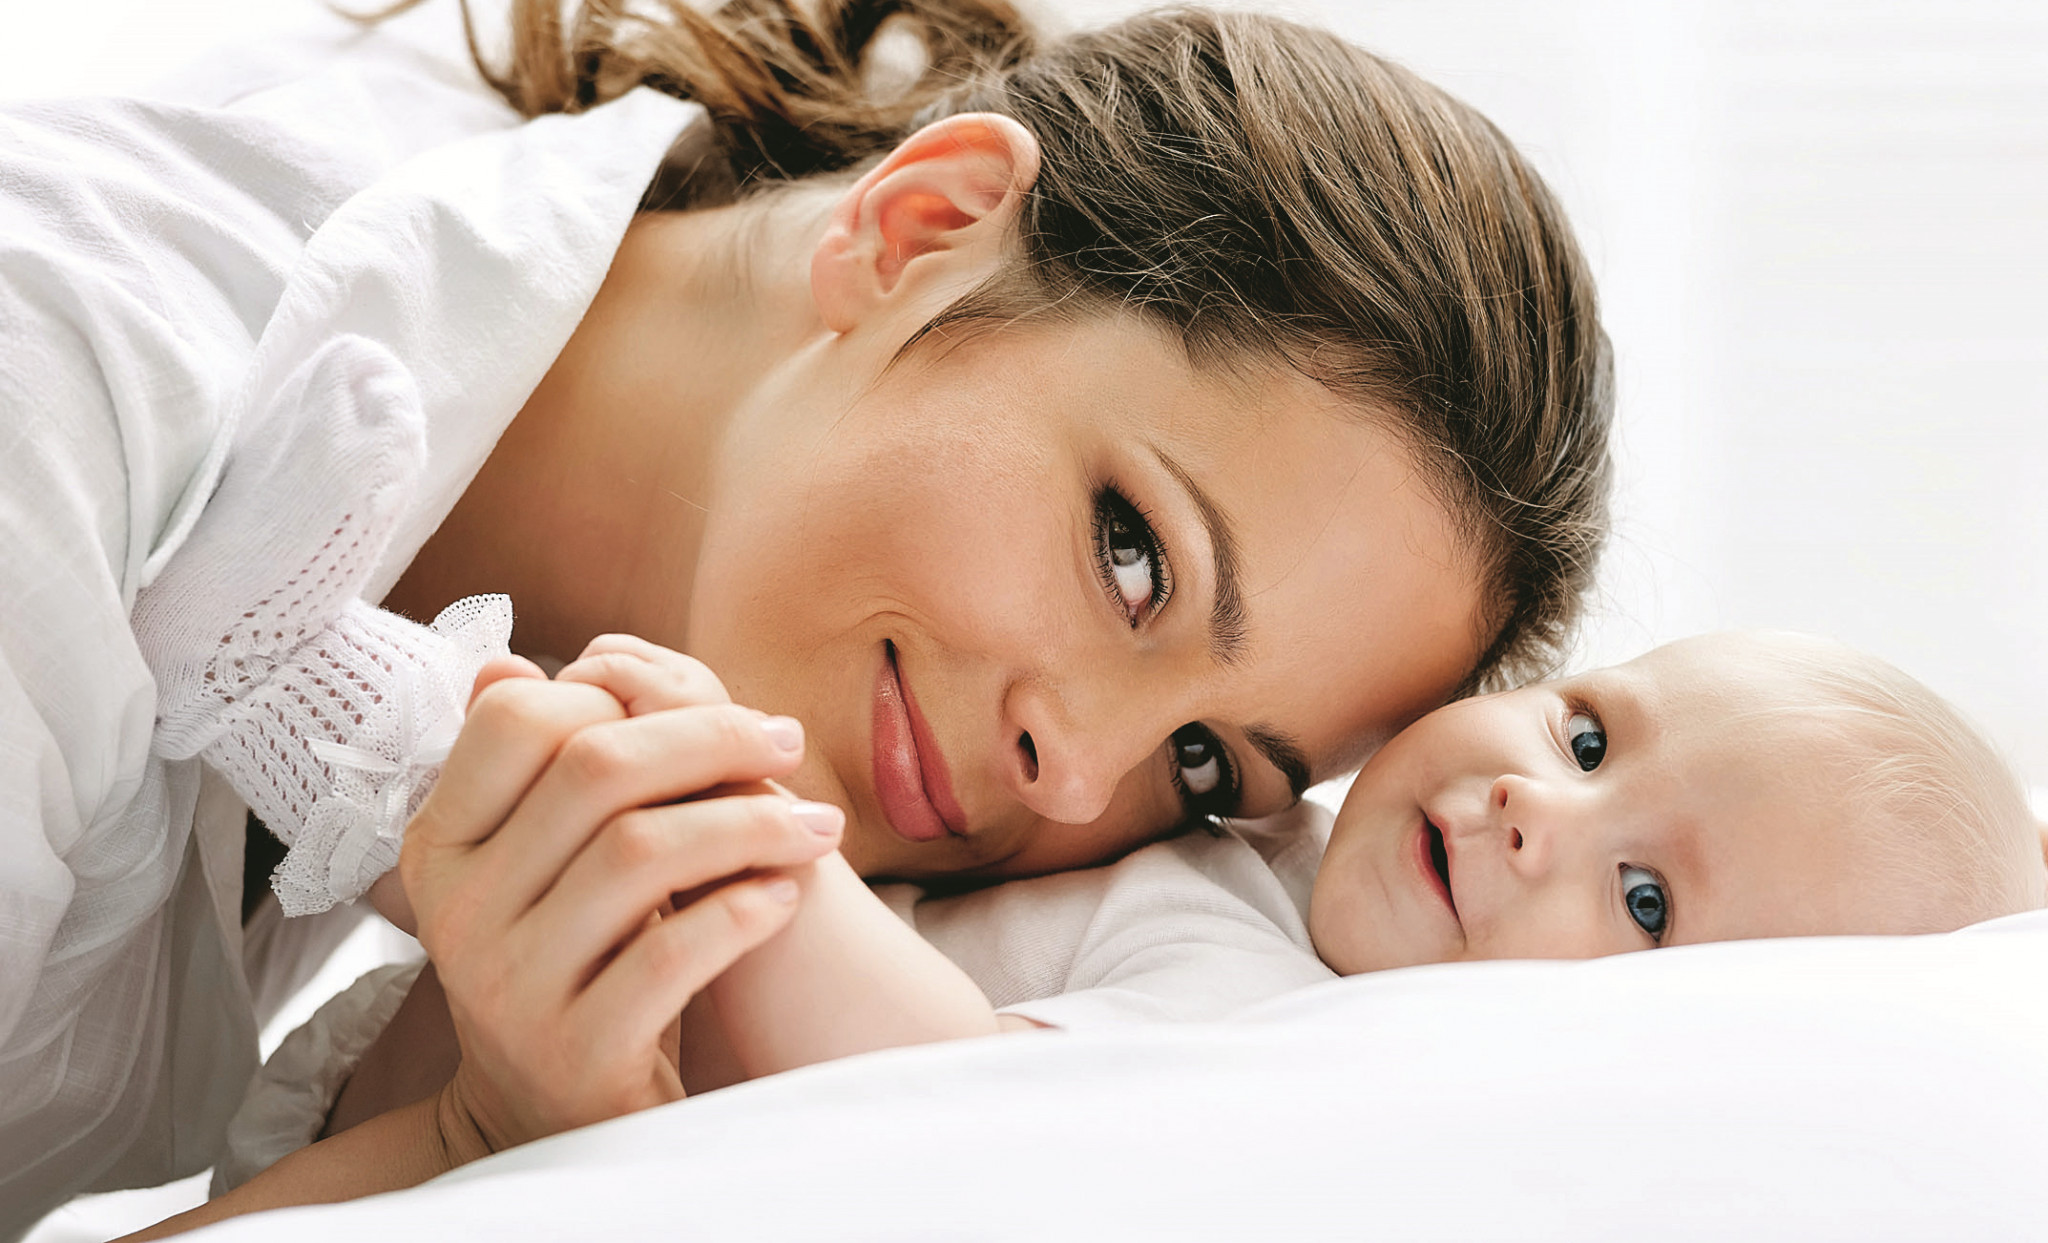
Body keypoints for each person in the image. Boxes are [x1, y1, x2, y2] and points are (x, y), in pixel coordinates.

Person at [0, 0, 1614, 1233]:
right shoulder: (62, 421)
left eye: (1204, 767)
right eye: (1136, 558)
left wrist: (474, 1138)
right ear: (923, 227)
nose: (1075, 780)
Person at [132, 628, 2047, 1240]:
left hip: (514, 1103)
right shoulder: (1273, 837)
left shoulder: (1284, 1021)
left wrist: (766, 855)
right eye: (1591, 734)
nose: (1536, 807)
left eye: (1642, 901)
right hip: (447, 1023)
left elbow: (956, 1104)